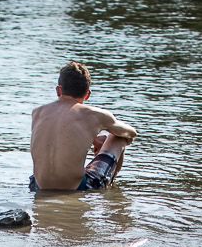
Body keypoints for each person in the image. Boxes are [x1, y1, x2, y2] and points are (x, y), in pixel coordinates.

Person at [29, 61, 137, 193]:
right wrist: (110, 135)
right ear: (87, 94)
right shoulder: (94, 114)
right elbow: (131, 133)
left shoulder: (37, 112)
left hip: (38, 185)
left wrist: (94, 139)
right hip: (78, 188)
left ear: (58, 90)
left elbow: (58, 134)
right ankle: (111, 188)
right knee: (118, 136)